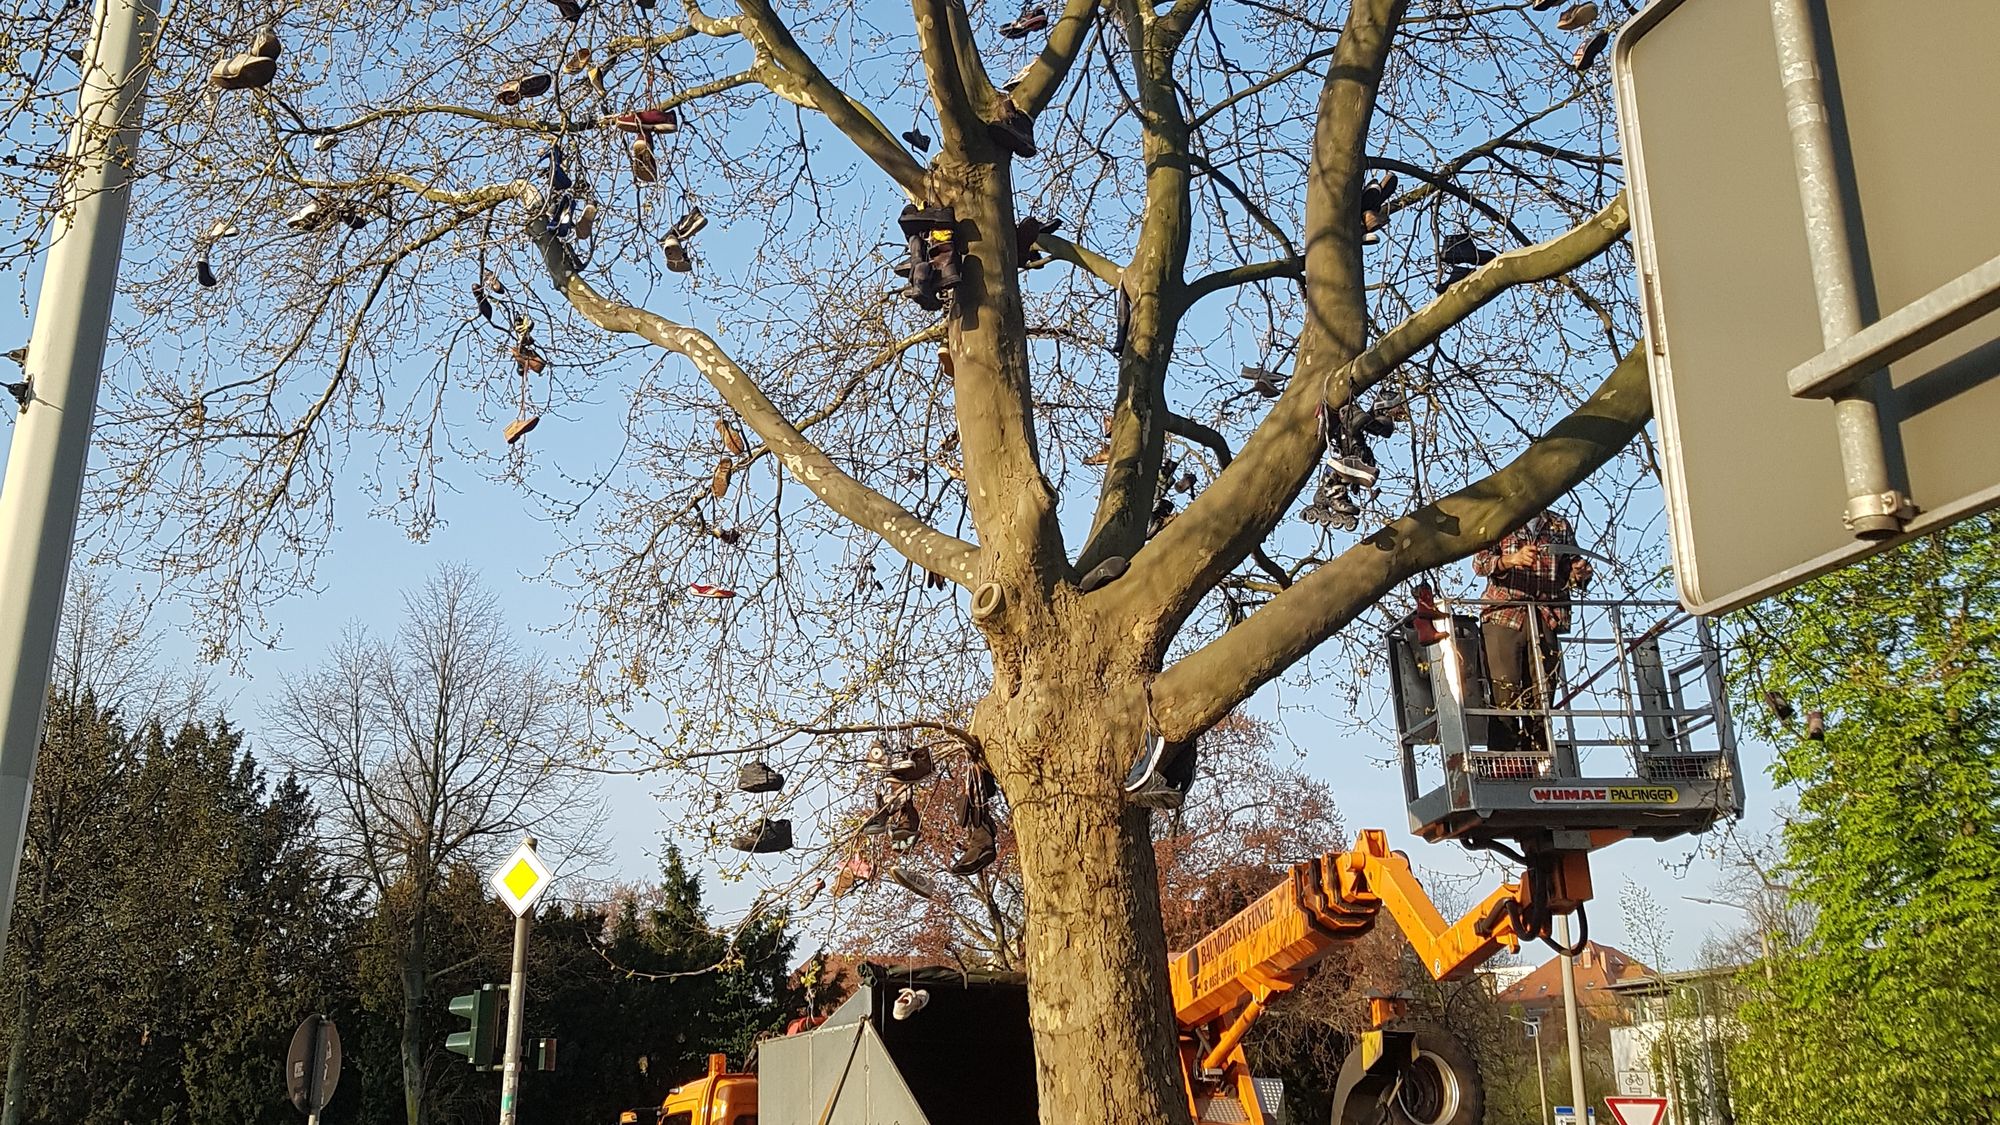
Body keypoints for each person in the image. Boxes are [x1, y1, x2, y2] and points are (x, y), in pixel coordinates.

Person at [1471, 511, 1592, 755]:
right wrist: (1510, 560)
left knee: (1542, 696)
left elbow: (1571, 570)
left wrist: (1579, 574)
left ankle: (1539, 760)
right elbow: (1479, 563)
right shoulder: (1499, 519)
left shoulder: (1559, 525)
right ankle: (1504, 761)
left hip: (1546, 616)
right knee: (1504, 694)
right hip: (1504, 615)